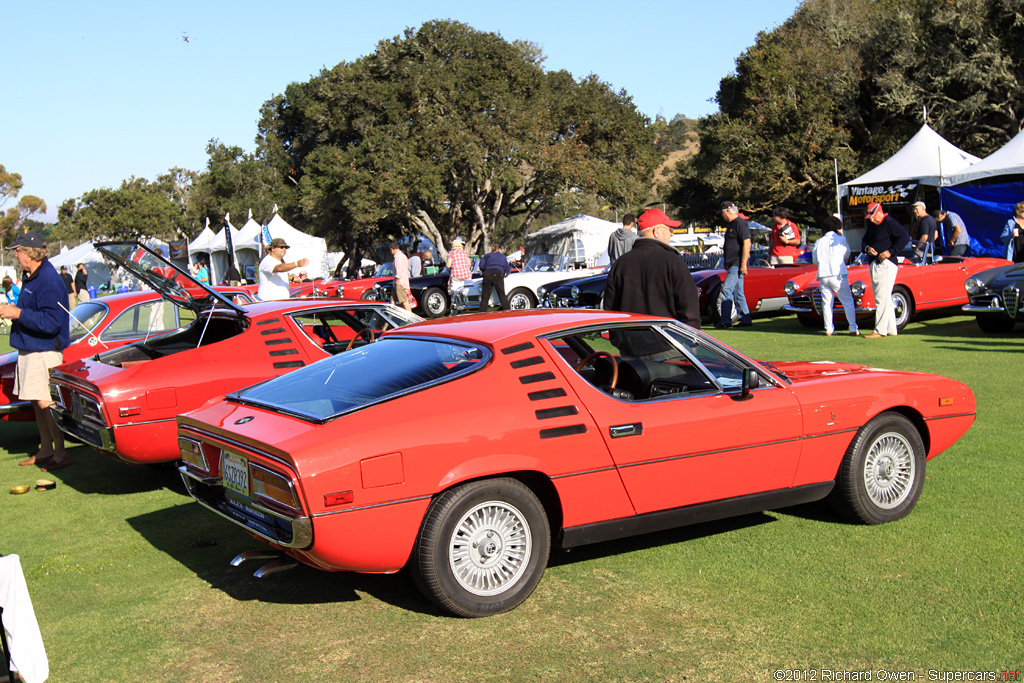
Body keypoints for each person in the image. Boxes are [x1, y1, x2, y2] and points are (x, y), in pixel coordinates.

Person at [0, 233, 72, 471]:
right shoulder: (31, 276)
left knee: (46, 402)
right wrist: (15, 310)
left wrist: (17, 314)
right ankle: (45, 450)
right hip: (29, 347)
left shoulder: (49, 279)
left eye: (17, 251)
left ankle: (60, 454)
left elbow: (53, 322)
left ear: (30, 252)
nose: (15, 255)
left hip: (44, 350)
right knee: (35, 400)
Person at [604, 208, 700, 328]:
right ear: (657, 231)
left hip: (629, 340)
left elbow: (610, 308)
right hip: (666, 340)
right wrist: (690, 341)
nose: (672, 233)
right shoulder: (673, 261)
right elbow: (688, 307)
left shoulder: (620, 263)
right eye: (669, 229)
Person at [861, 202, 911, 338]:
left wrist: (891, 251)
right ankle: (891, 329)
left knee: (881, 297)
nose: (871, 219)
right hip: (874, 262)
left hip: (886, 262)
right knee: (885, 297)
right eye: (869, 216)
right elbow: (864, 241)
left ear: (879, 212)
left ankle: (880, 330)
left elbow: (905, 237)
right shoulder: (872, 225)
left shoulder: (889, 222)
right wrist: (867, 249)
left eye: (872, 215)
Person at [813, 216, 859, 336]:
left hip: (823, 274)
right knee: (847, 302)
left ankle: (829, 329)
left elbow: (815, 260)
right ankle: (853, 328)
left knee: (827, 303)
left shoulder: (819, 241)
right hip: (838, 274)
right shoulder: (841, 239)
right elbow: (847, 254)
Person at [717, 201, 753, 328]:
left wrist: (743, 263)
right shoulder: (732, 224)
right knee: (738, 292)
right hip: (733, 263)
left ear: (727, 211)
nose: (722, 216)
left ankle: (726, 321)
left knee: (726, 290)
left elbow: (746, 243)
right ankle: (745, 318)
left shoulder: (740, 223)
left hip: (737, 263)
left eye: (722, 213)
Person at [477, 243, 511, 312]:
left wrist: (485, 271)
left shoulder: (487, 255)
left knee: (485, 296)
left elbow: (481, 265)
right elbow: (507, 269)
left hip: (488, 274)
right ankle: (507, 310)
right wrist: (505, 274)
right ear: (499, 249)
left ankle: (482, 313)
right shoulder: (503, 257)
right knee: (502, 294)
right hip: (498, 273)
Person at [390, 242, 413, 312]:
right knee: (393, 300)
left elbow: (398, 269)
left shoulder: (398, 257)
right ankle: (390, 318)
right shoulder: (403, 256)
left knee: (404, 301)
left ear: (392, 249)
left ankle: (411, 317)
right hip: (401, 281)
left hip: (400, 283)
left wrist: (397, 279)